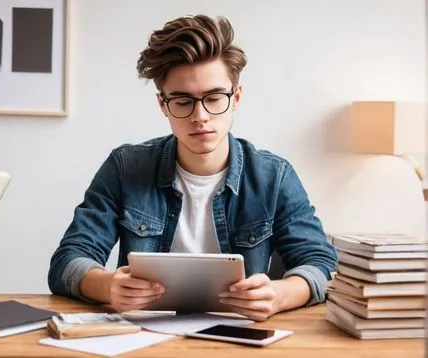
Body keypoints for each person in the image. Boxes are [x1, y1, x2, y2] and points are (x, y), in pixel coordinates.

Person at [48, 14, 337, 321]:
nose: (200, 115)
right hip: (142, 337)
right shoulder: (125, 167)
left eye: (214, 98)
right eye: (183, 101)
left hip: (240, 336)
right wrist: (109, 286)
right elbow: (67, 261)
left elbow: (321, 263)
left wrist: (279, 295)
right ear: (163, 105)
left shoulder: (273, 177)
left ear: (235, 97)